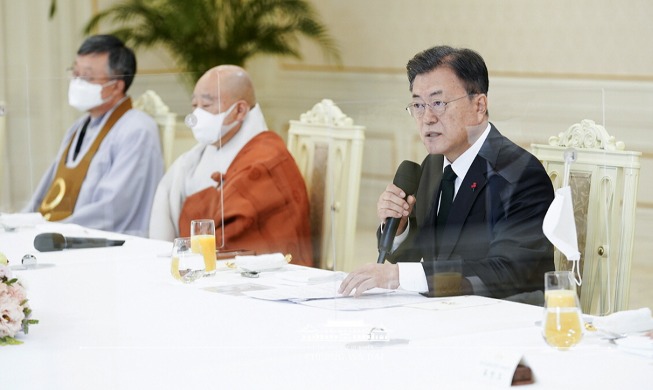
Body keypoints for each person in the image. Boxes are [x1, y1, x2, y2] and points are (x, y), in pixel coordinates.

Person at [339, 46, 554, 302]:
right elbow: (410, 259)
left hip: (497, 323)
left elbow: (506, 271)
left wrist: (398, 276)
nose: (427, 118)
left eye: (438, 103)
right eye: (418, 105)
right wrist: (400, 228)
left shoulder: (520, 173)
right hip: (440, 313)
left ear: (479, 106)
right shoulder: (434, 166)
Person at [149, 65, 313, 266]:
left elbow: (232, 241)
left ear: (240, 110)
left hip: (261, 277)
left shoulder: (266, 161)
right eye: (194, 105)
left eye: (207, 106)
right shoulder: (199, 154)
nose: (197, 115)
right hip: (200, 266)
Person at [23, 35, 164, 237]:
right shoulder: (79, 127)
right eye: (75, 73)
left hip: (108, 244)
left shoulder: (137, 129)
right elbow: (47, 190)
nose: (77, 82)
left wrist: (55, 231)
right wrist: (23, 222)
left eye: (87, 78)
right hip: (62, 234)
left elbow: (114, 207)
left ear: (116, 85)